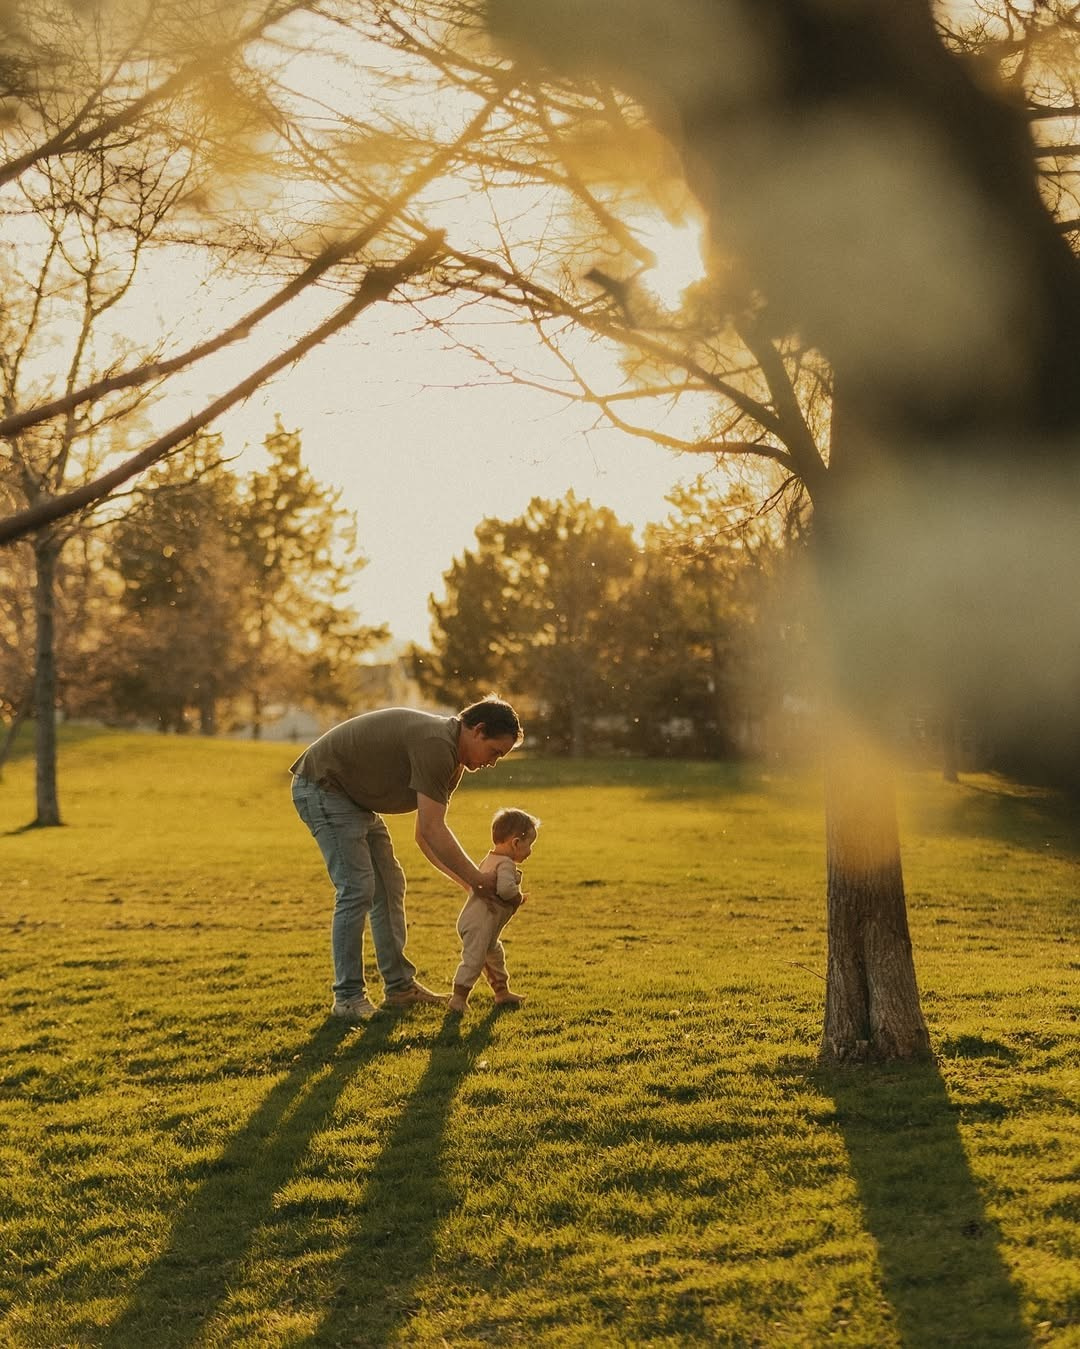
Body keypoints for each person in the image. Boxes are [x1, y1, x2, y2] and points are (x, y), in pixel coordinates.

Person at [290, 696, 523, 1021]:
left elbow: (423, 836)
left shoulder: (454, 760)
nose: (493, 762)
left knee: (388, 885)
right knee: (357, 889)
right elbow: (433, 828)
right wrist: (477, 880)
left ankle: (399, 987)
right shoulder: (437, 746)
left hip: (353, 799)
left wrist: (471, 885)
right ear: (478, 731)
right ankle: (347, 999)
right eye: (495, 752)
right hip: (324, 786)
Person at [448, 807, 540, 1014]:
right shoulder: (505, 864)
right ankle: (458, 998)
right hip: (479, 924)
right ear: (516, 843)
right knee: (474, 959)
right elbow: (505, 889)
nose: (531, 850)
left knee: (494, 955)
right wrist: (518, 897)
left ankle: (501, 992)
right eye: (530, 844)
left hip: (480, 923)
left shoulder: (489, 859)